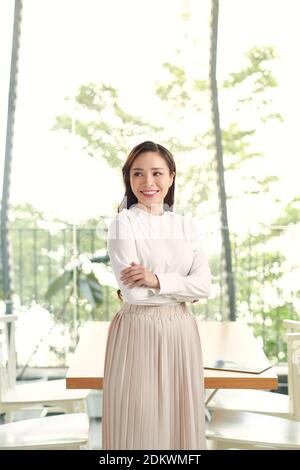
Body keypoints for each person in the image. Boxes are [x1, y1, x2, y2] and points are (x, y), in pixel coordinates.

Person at [102, 141, 211, 450]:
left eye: (156, 173)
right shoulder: (123, 224)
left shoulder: (186, 226)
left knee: (180, 420)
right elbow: (134, 295)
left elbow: (204, 286)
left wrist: (156, 279)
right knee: (139, 420)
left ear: (171, 177)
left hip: (181, 331)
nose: (148, 183)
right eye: (138, 174)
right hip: (139, 332)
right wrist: (179, 288)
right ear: (129, 179)